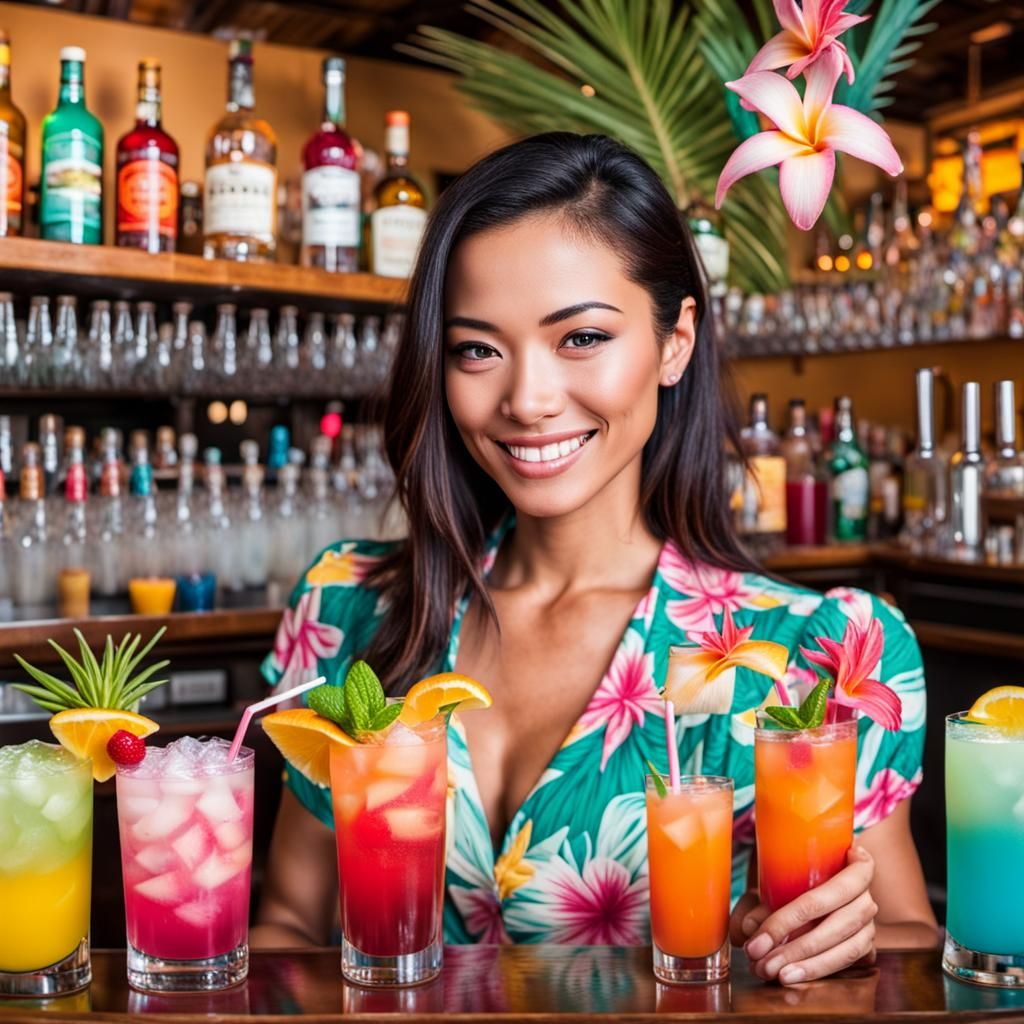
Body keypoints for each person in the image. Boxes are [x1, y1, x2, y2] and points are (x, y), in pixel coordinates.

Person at [252, 132, 937, 982]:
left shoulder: (823, 655)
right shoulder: (348, 607)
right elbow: (289, 920)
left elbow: (908, 939)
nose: (528, 400)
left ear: (675, 342)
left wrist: (843, 938)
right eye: (477, 348)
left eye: (580, 338)